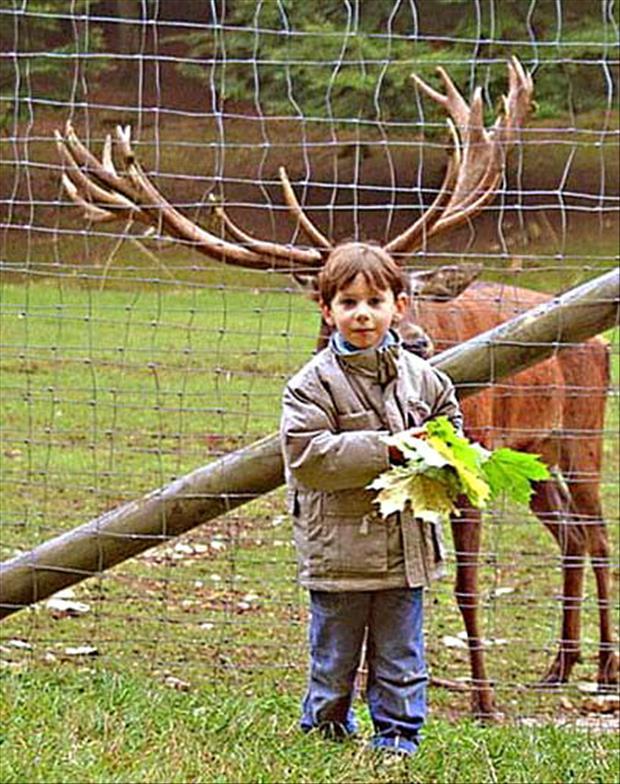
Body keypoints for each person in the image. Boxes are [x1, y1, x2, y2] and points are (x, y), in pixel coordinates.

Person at [280, 242, 463, 758]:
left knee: (402, 655)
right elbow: (308, 456)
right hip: (338, 551)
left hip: (406, 549)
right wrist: (388, 447)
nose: (363, 313)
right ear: (327, 309)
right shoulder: (311, 385)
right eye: (348, 303)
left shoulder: (423, 377)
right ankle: (326, 727)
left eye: (375, 301)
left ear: (399, 306)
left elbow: (448, 418)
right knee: (335, 654)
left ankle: (398, 739)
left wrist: (449, 450)